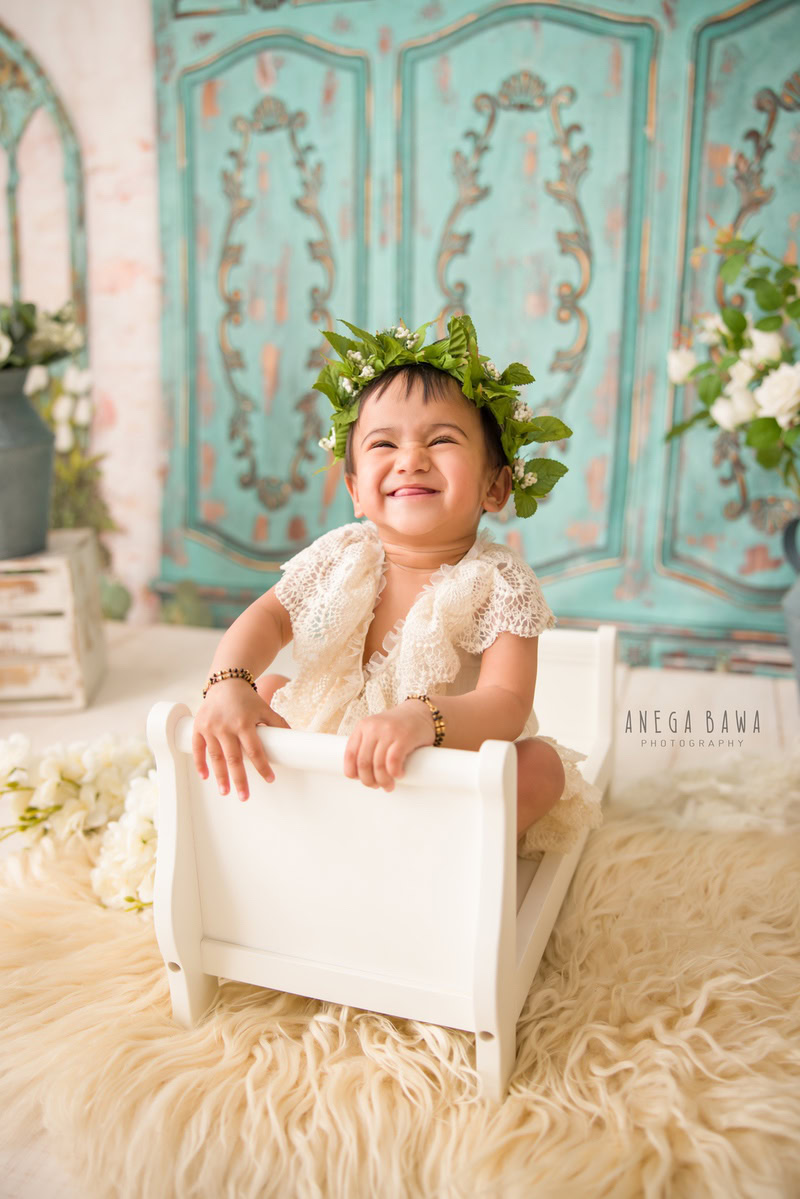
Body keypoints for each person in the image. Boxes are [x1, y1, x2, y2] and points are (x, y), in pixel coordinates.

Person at [193, 315, 603, 856]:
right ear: (356, 490)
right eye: (384, 444)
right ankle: (283, 835)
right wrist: (228, 681)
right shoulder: (341, 555)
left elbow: (505, 702)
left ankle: (444, 858)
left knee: (539, 767)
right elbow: (269, 619)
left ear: (496, 486)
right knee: (264, 689)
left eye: (441, 439)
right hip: (327, 758)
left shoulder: (499, 580)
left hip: (437, 772)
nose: (411, 459)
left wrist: (424, 718)